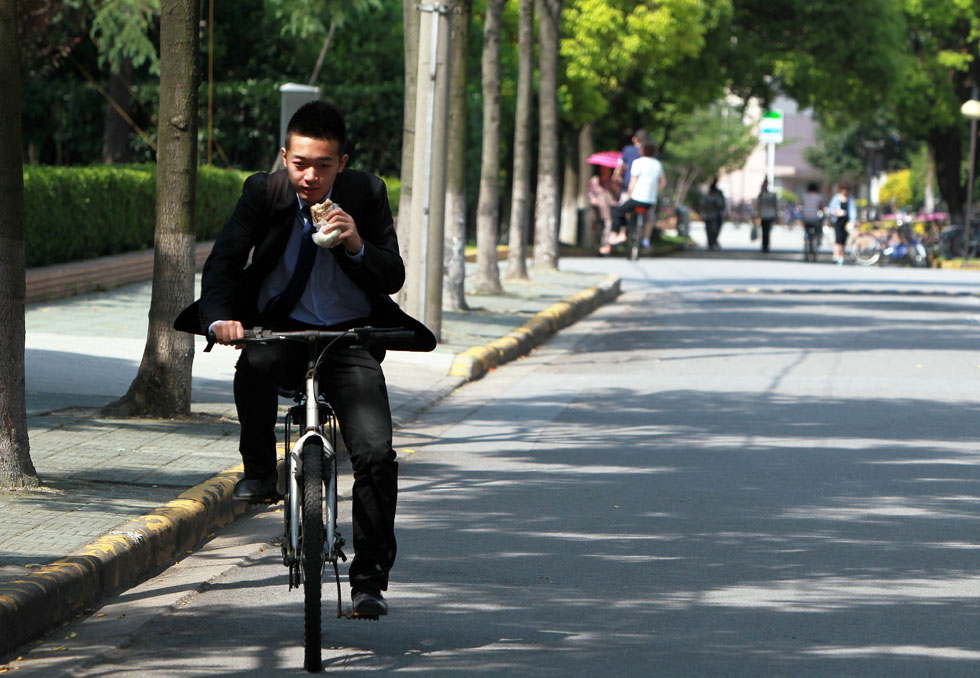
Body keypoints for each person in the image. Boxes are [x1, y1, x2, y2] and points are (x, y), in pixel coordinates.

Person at [174, 101, 436, 618]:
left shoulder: (366, 193)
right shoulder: (263, 192)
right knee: (254, 365)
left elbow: (392, 276)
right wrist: (221, 319)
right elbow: (225, 261)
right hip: (279, 329)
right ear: (284, 157)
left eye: (322, 165)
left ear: (341, 163)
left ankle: (368, 581)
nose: (309, 176)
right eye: (299, 163)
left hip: (349, 338)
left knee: (376, 454)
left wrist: (358, 242)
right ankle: (257, 471)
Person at [611, 141, 666, 247]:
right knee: (649, 218)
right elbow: (663, 182)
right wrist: (654, 191)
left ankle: (618, 234)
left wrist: (629, 195)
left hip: (637, 198)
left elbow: (633, 182)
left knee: (619, 212)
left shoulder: (638, 162)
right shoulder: (657, 164)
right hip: (650, 200)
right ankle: (646, 239)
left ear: (642, 151)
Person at [589, 166, 620, 255]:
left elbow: (617, 194)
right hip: (598, 208)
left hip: (610, 208)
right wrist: (593, 199)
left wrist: (613, 185)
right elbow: (591, 193)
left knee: (609, 225)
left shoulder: (614, 180)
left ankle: (606, 246)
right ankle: (599, 245)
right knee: (599, 227)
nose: (605, 170)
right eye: (603, 169)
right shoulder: (595, 180)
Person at [612, 128, 647, 203]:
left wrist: (616, 176)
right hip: (644, 187)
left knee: (624, 208)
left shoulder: (627, 150)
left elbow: (620, 166)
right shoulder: (648, 153)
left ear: (634, 139)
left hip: (628, 184)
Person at [827, 184, 857, 264]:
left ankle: (841, 255)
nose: (845, 191)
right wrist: (837, 212)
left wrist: (853, 221)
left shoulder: (850, 199)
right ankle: (837, 255)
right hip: (838, 221)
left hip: (846, 222)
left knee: (844, 239)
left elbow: (853, 211)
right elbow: (831, 209)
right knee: (838, 238)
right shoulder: (836, 198)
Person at [800, 182, 824, 257]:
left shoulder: (804, 196)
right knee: (817, 232)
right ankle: (817, 241)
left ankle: (807, 242)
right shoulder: (819, 196)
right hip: (815, 219)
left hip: (806, 218)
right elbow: (821, 207)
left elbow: (801, 207)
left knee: (807, 232)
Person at [755, 179, 779, 253]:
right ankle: (765, 246)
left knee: (766, 231)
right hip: (764, 215)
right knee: (765, 231)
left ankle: (765, 246)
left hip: (767, 215)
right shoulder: (762, 195)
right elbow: (758, 206)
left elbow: (775, 206)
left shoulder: (769, 195)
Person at [702, 179, 726, 250]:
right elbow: (703, 205)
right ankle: (711, 243)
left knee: (714, 230)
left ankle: (713, 242)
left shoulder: (718, 194)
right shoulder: (708, 196)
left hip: (716, 215)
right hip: (710, 215)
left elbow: (721, 205)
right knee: (710, 230)